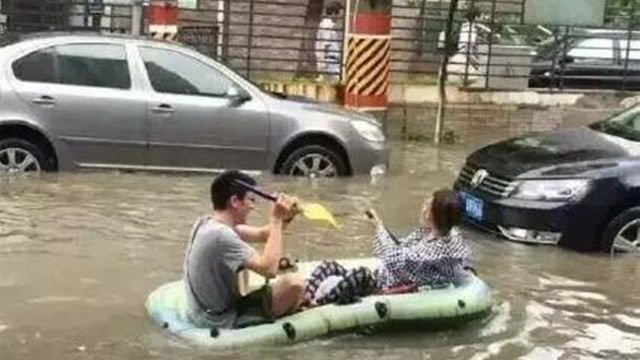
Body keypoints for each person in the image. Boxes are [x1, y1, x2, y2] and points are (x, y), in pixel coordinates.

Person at [302, 189, 471, 306]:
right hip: (386, 276)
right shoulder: (430, 232)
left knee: (360, 274)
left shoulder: (442, 249)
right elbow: (401, 247)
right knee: (328, 266)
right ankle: (305, 297)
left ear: (434, 215)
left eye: (428, 205)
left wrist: (378, 227)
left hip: (387, 286)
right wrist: (378, 225)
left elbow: (394, 259)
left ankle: (317, 304)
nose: (424, 207)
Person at [183, 170, 305, 329]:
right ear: (234, 201)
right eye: (251, 200)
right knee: (295, 284)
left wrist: (286, 217)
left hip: (205, 311)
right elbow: (269, 269)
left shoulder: (207, 223)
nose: (253, 207)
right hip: (218, 320)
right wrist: (276, 219)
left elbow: (263, 235)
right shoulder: (221, 235)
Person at [315, 1, 343, 82]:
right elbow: (325, 44)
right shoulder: (327, 25)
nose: (339, 17)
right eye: (339, 14)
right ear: (334, 13)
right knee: (334, 80)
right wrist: (325, 60)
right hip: (330, 59)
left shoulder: (328, 24)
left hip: (330, 59)